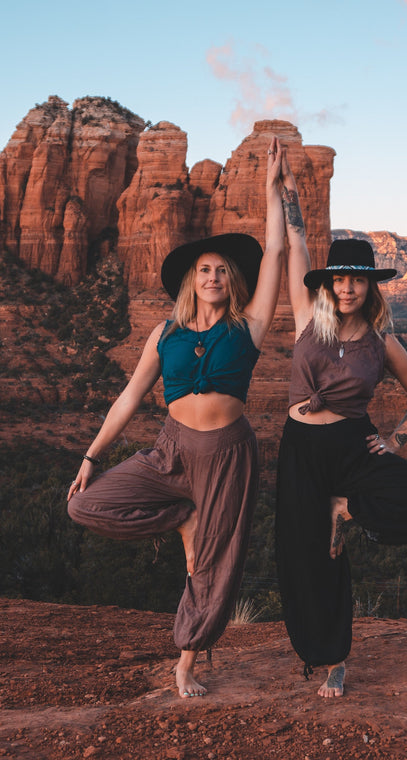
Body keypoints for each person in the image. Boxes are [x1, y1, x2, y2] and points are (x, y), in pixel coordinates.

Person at [67, 137, 285, 699]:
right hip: (171, 449)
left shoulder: (248, 328)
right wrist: (92, 456)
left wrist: (271, 190)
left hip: (228, 454)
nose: (212, 276)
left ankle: (185, 662)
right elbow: (128, 398)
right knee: (84, 504)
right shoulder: (163, 333)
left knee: (214, 568)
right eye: (203, 269)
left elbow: (278, 257)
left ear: (231, 281)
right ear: (191, 280)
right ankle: (181, 517)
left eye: (221, 270)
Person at [275, 151, 407, 698]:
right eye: (339, 280)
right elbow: (297, 243)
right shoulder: (308, 317)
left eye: (357, 280)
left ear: (370, 287)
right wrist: (286, 190)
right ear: (327, 285)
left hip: (353, 444)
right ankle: (329, 659)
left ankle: (345, 510)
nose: (347, 288)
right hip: (301, 447)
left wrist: (395, 439)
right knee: (306, 556)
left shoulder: (383, 342)